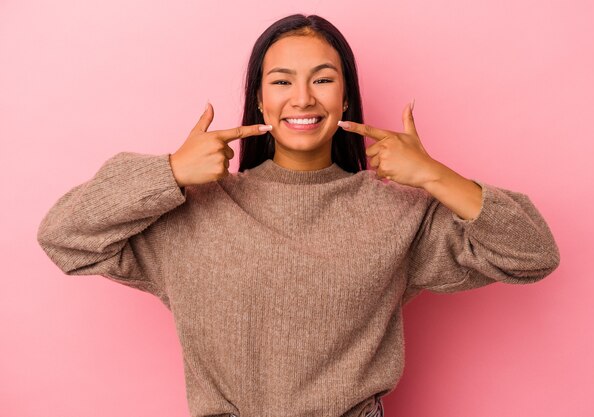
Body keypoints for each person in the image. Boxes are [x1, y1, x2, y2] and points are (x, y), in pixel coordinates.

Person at [37, 13, 560, 417]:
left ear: (346, 95)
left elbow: (533, 253)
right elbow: (64, 236)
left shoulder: (398, 212)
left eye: (323, 79)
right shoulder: (193, 210)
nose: (303, 98)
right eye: (282, 81)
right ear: (259, 100)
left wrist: (433, 175)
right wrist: (170, 171)